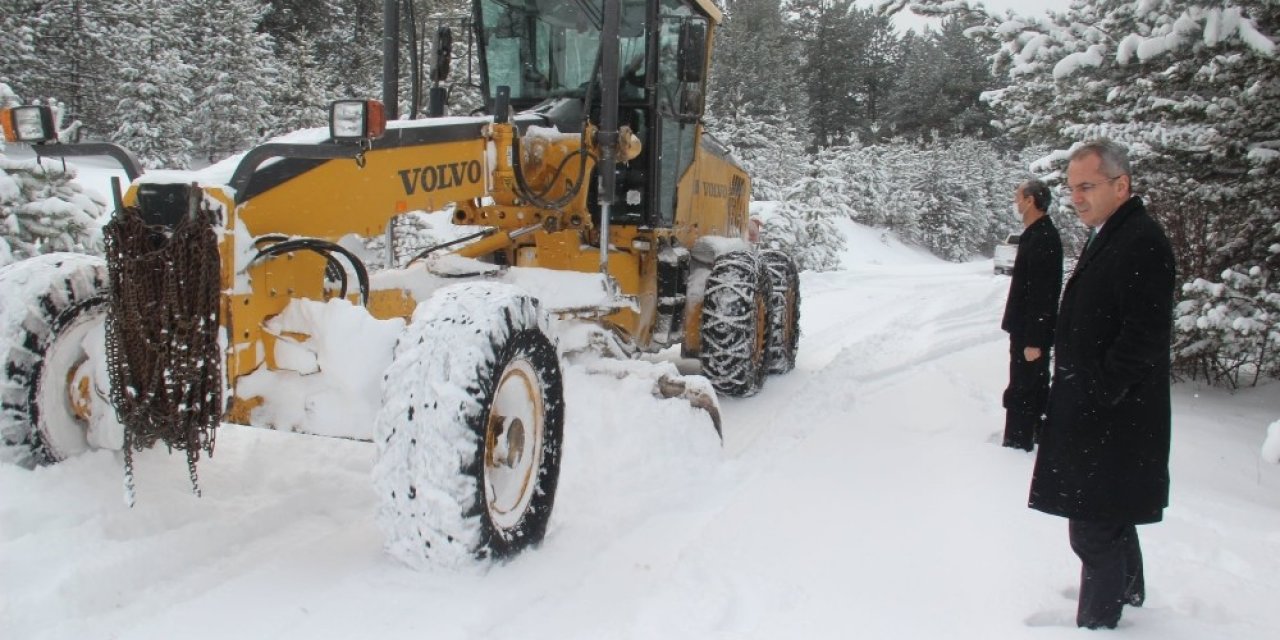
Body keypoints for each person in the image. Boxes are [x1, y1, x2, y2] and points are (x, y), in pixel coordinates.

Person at [1029, 139, 1176, 630]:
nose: (1077, 198)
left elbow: (1145, 334)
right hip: (1105, 412)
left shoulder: (1141, 241)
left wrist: (1101, 392)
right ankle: (1129, 596)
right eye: (1072, 189)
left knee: (1093, 529)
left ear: (1122, 184)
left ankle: (1099, 623)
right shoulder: (1114, 233)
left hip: (1114, 416)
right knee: (1110, 516)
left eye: (1087, 186)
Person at [1000, 178, 1063, 451]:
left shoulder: (1044, 238)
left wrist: (1035, 341)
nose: (1015, 203)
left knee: (1026, 387)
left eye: (1018, 198)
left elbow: (1043, 295)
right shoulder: (1035, 234)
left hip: (1031, 334)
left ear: (1030, 201)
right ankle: (1035, 434)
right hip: (1024, 329)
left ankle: (1019, 442)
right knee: (1029, 384)